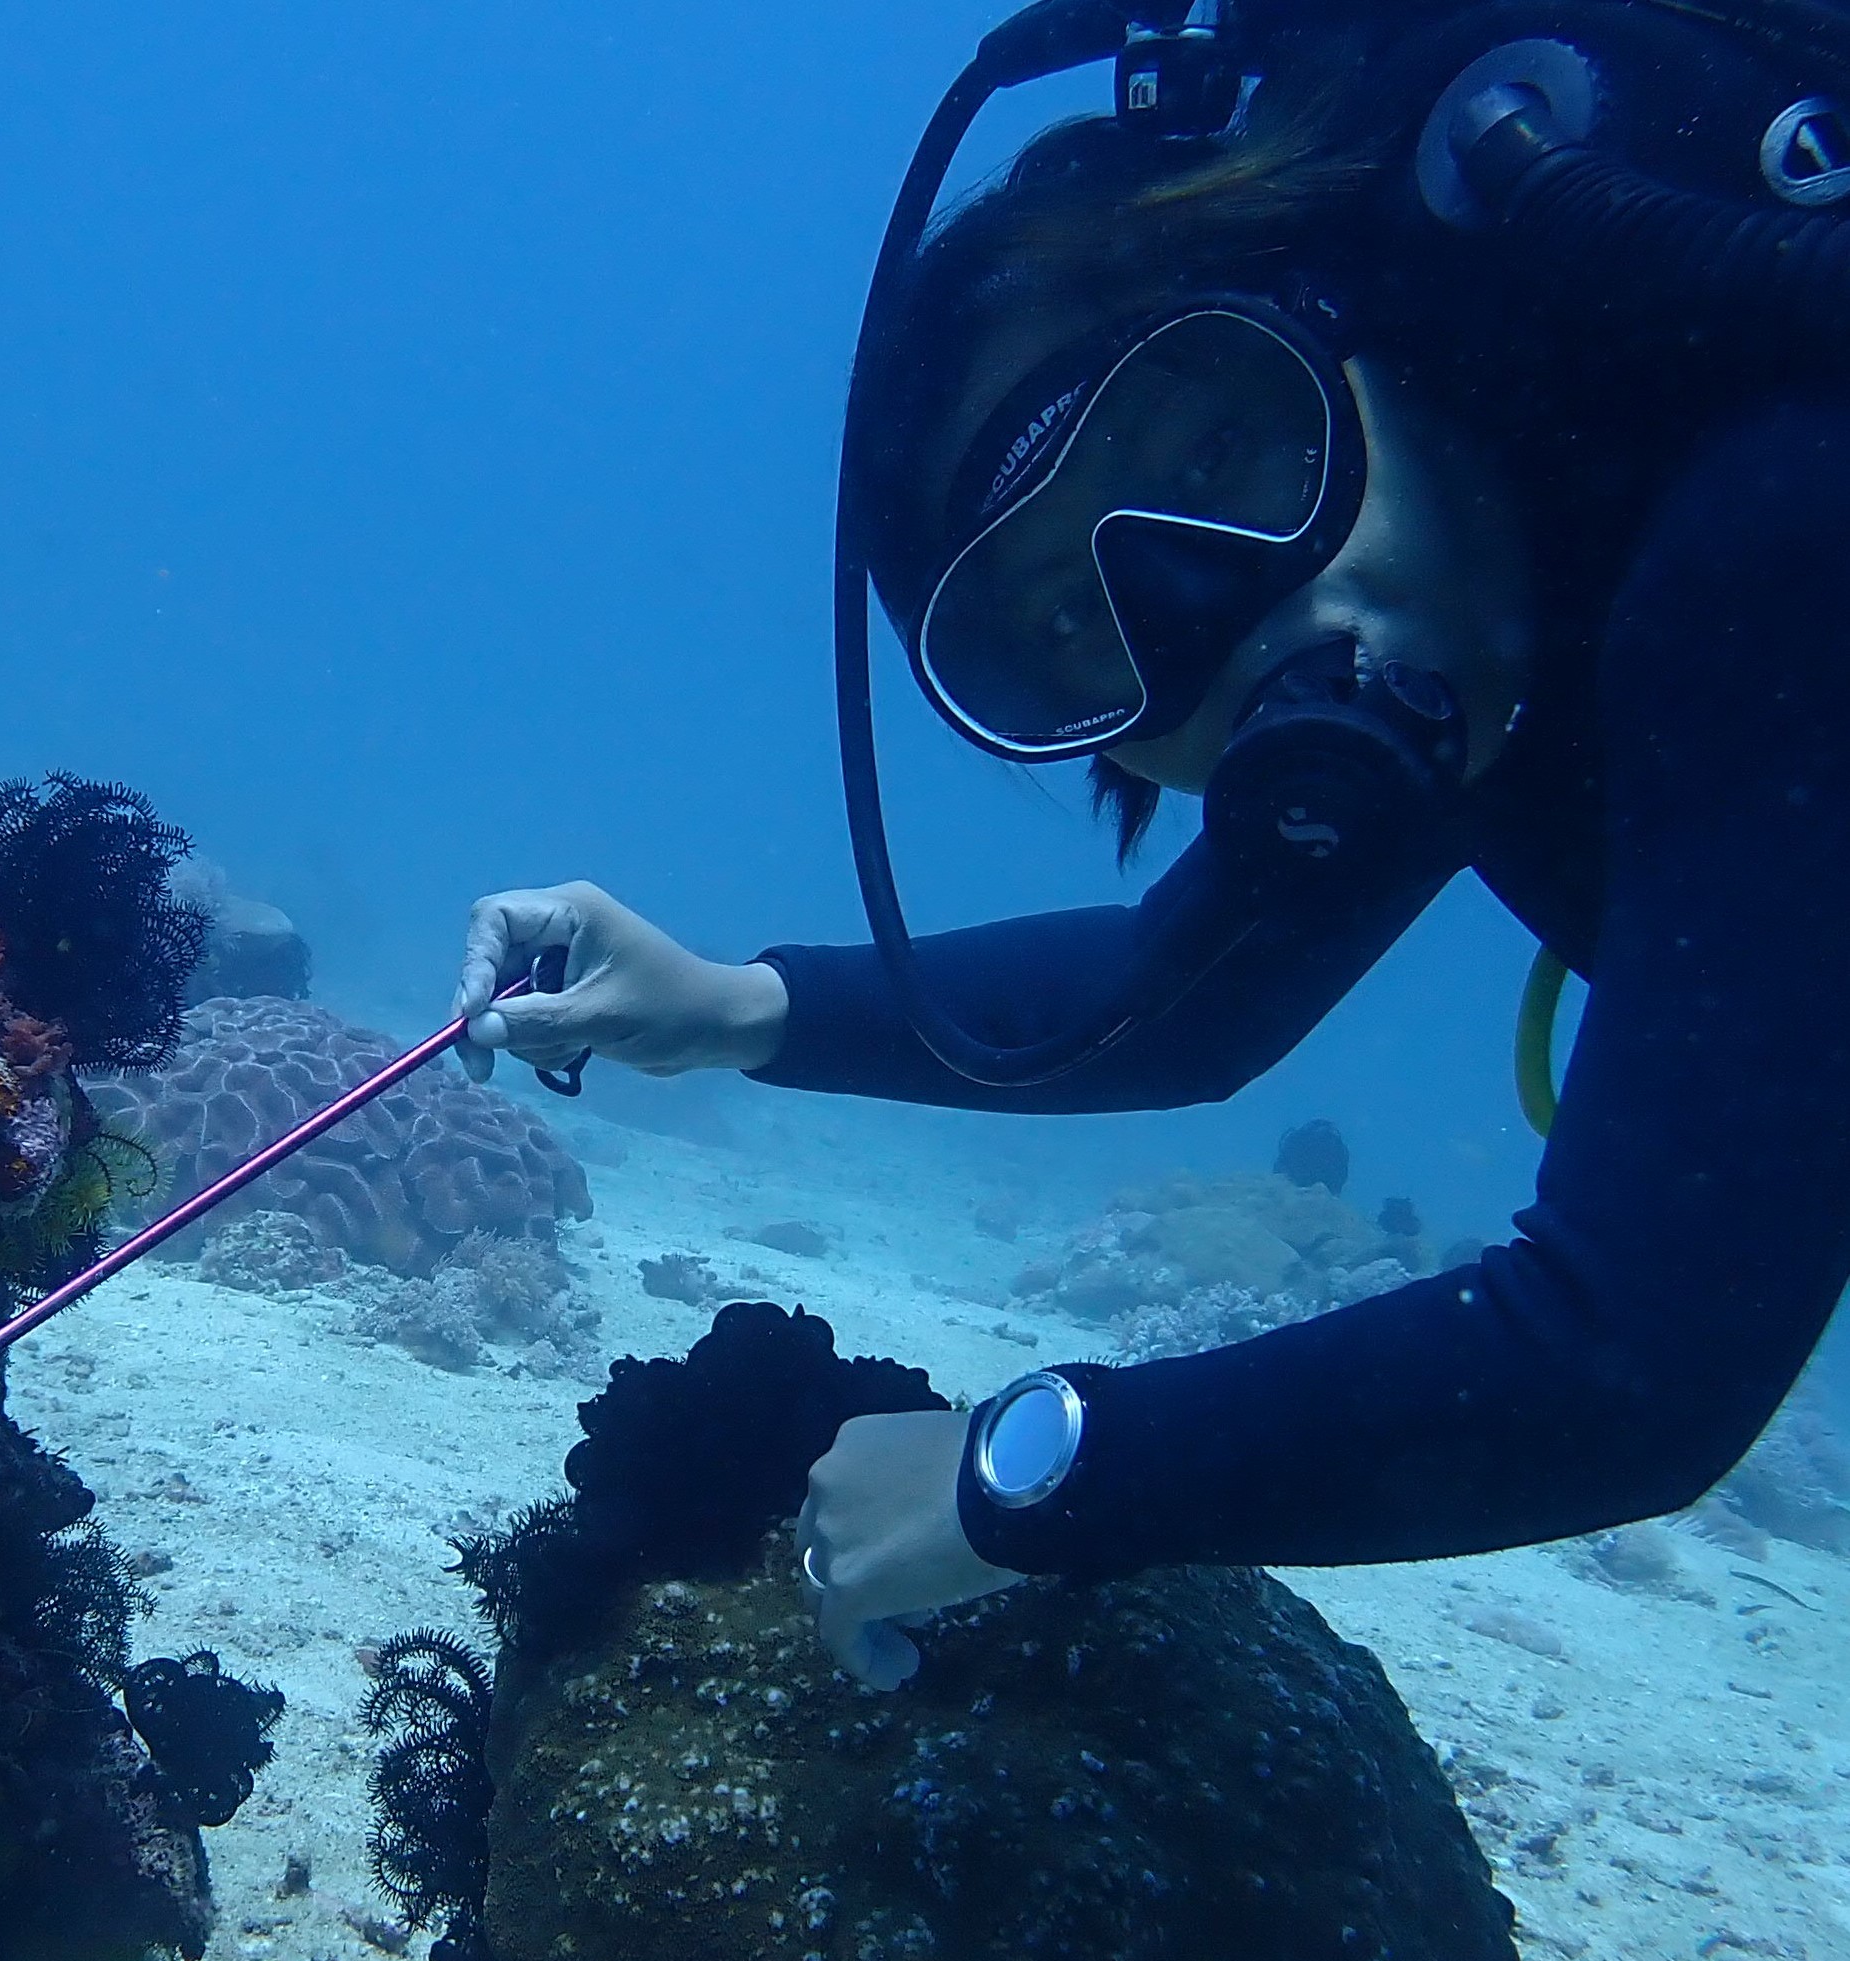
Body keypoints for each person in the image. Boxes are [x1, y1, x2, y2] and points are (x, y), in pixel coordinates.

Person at [454, 0, 1850, 1687]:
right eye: (1066, 623)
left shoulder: (1777, 526)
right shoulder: (1502, 581)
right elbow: (1177, 1001)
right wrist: (739, 1004)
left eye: (1210, 443)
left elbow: (1625, 1361)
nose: (1213, 603)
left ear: (1355, 316)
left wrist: (1013, 1476)